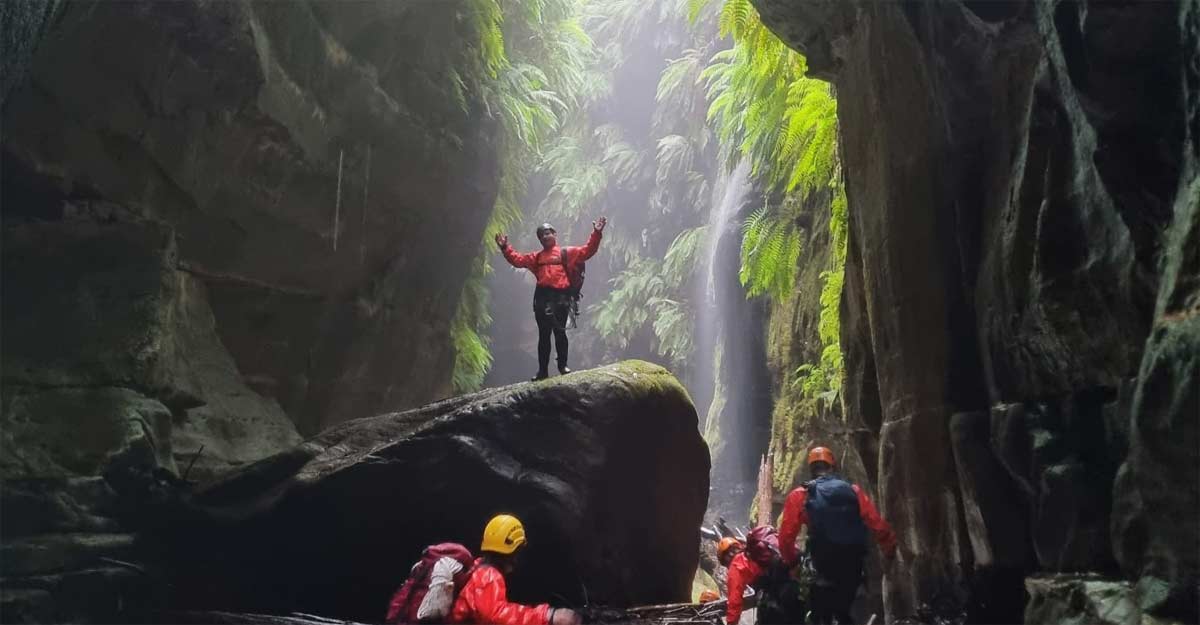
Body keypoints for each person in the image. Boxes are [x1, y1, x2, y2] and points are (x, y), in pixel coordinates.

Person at [778, 446, 897, 625]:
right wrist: (889, 549)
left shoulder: (801, 496)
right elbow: (877, 524)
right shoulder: (853, 491)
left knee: (820, 613)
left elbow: (786, 538)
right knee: (847, 611)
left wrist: (793, 564)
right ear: (832, 466)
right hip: (853, 566)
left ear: (811, 469)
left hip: (822, 569)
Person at [495, 218, 606, 381]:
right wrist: (505, 247)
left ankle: (562, 366)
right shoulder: (536, 257)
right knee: (544, 335)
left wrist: (596, 232)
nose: (544, 237)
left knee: (560, 333)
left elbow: (588, 251)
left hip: (561, 298)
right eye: (541, 235)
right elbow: (518, 260)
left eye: (547, 233)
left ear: (555, 234)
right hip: (542, 298)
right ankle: (542, 371)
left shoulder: (567, 253)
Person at [451, 514, 582, 625]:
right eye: (518, 551)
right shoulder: (489, 576)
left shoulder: (480, 567)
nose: (518, 558)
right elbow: (496, 615)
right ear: (511, 552)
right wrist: (548, 615)